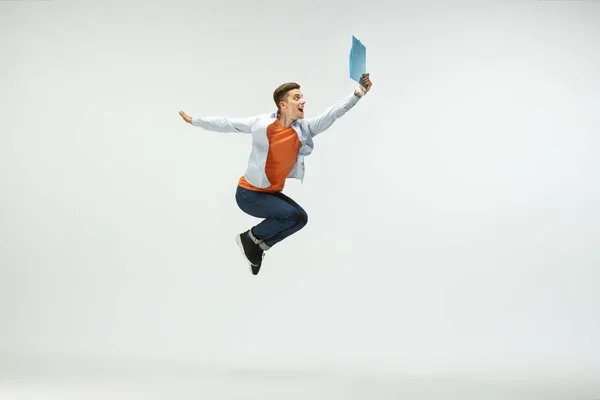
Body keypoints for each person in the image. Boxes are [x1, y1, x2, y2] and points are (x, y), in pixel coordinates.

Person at [179, 73, 372, 275]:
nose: (303, 101)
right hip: (249, 194)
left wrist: (359, 93)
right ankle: (249, 237)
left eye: (302, 96)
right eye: (297, 97)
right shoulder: (262, 124)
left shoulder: (305, 129)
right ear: (283, 105)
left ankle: (259, 247)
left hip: (269, 193)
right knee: (289, 215)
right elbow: (228, 124)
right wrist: (195, 121)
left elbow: (333, 113)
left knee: (301, 218)